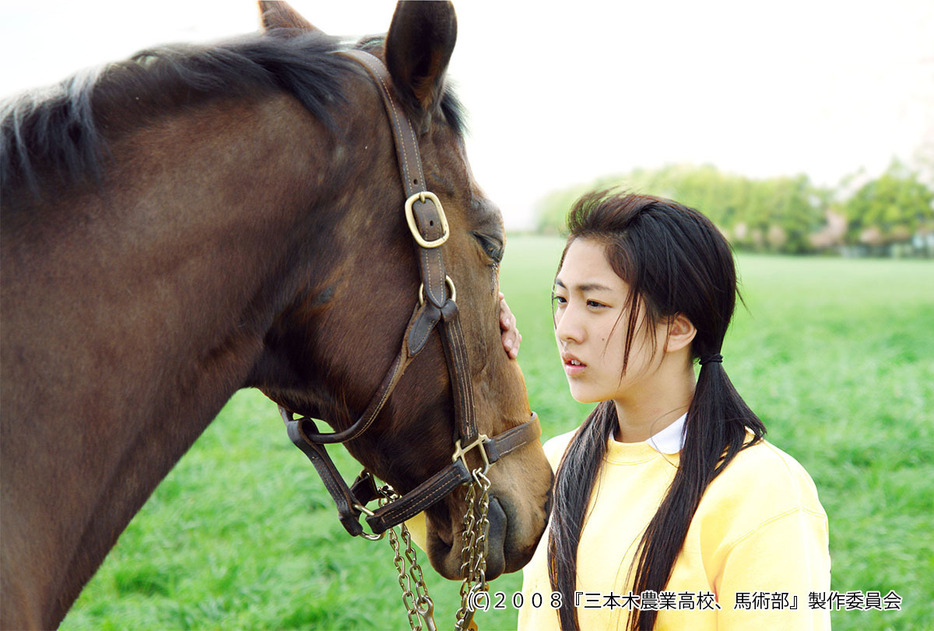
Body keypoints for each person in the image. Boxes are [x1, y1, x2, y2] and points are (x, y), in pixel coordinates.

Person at [511, 190, 831, 630]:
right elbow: (455, 542)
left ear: (677, 328)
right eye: (562, 300)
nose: (566, 329)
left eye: (596, 304)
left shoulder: (760, 489)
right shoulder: (556, 460)